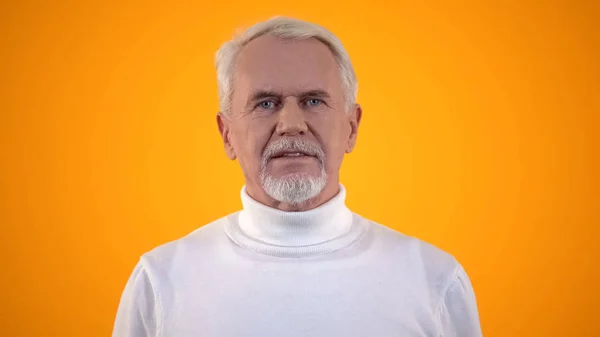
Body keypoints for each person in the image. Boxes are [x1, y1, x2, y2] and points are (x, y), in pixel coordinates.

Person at [112, 16, 483, 337]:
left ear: (352, 128)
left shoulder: (434, 282)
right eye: (266, 103)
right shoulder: (160, 283)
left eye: (314, 101)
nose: (291, 124)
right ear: (227, 135)